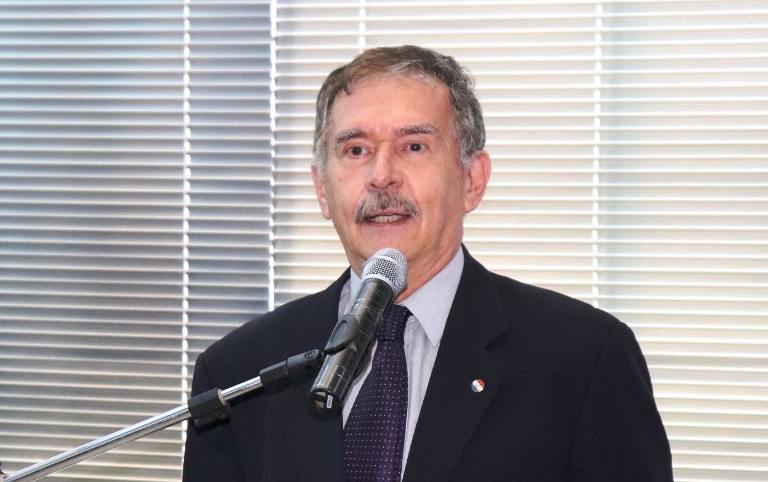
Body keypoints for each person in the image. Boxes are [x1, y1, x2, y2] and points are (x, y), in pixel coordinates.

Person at [182, 45, 673, 482]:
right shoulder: (239, 375)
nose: (381, 176)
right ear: (322, 189)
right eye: (356, 150)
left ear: (472, 180)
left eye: (413, 146)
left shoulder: (584, 359)